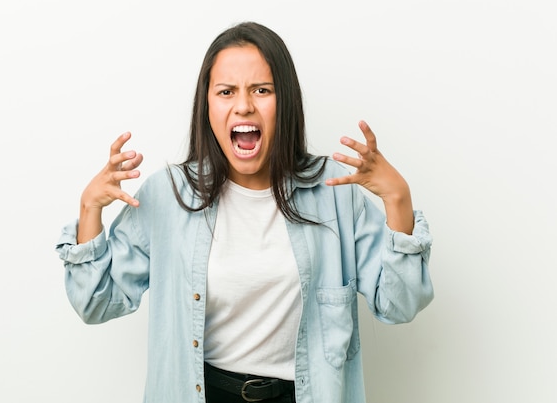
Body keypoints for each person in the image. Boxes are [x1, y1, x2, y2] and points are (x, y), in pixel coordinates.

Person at [56, 21, 434, 403]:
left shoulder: (335, 191)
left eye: (262, 90)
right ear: (207, 106)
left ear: (284, 101)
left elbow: (398, 305)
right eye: (226, 91)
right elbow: (95, 303)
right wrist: (90, 209)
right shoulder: (168, 196)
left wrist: (398, 201)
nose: (243, 105)